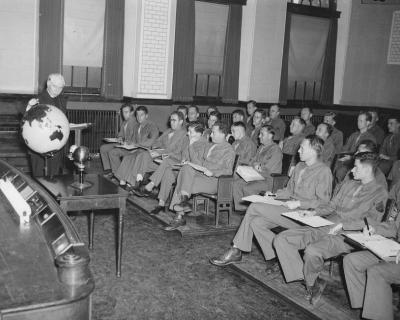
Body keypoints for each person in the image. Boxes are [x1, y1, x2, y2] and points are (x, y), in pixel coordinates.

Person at [274, 152, 388, 306]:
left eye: (356, 167)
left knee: (312, 251)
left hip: (348, 235)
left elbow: (372, 221)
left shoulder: (379, 192)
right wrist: (314, 212)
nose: (352, 170)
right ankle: (310, 280)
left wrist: (345, 225)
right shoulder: (349, 184)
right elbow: (331, 206)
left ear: (367, 170)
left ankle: (310, 282)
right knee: (282, 239)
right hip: (326, 224)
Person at [210, 135, 332, 269]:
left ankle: (236, 249)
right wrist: (274, 195)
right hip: (287, 208)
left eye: (302, 148)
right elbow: (289, 190)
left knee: (254, 207)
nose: (298, 151)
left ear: (314, 150)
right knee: (256, 222)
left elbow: (323, 202)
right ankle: (274, 254)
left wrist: (299, 204)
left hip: (302, 215)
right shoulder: (299, 166)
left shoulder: (324, 171)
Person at [343, 181, 400, 320]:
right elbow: (393, 227)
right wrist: (375, 230)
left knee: (377, 271)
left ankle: (375, 314)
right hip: (393, 249)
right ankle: (368, 307)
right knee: (351, 260)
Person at [167, 121, 235, 230]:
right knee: (186, 168)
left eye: (213, 132)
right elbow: (198, 163)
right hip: (202, 176)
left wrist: (213, 172)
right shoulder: (210, 146)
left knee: (182, 181)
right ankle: (183, 203)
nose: (210, 135)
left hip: (215, 181)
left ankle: (179, 215)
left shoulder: (229, 150)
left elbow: (228, 171)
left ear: (223, 134)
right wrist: (190, 147)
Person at [141, 121, 209, 215]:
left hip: (192, 173)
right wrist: (168, 155)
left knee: (167, 165)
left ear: (199, 134)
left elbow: (198, 163)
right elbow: (180, 154)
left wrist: (190, 147)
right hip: (182, 167)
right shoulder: (187, 140)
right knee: (167, 169)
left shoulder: (204, 144)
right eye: (188, 131)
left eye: (190, 132)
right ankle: (161, 203)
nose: (187, 133)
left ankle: (152, 184)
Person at [115, 111, 187, 189]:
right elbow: (157, 141)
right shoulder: (168, 131)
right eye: (171, 120)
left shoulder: (184, 134)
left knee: (142, 156)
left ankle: (134, 182)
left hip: (169, 160)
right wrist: (155, 147)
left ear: (181, 121)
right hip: (157, 155)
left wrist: (159, 152)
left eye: (174, 120)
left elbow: (175, 151)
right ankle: (131, 181)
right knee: (136, 156)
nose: (171, 122)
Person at [233, 125, 283, 211]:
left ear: (270, 136)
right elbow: (252, 162)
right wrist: (255, 165)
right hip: (257, 176)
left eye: (262, 134)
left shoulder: (275, 150)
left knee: (248, 188)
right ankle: (242, 209)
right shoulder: (261, 147)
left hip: (269, 180)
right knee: (237, 183)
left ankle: (254, 211)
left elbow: (268, 169)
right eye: (259, 134)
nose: (259, 136)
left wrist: (258, 166)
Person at [27, 73, 68, 177]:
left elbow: (61, 120)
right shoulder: (37, 100)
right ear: (48, 83)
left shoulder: (62, 100)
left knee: (54, 177)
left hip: (56, 144)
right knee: (39, 178)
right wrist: (28, 108)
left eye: (60, 87)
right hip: (39, 146)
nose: (57, 90)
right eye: (55, 86)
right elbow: (27, 122)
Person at [107, 105, 159, 184]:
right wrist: (129, 143)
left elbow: (151, 141)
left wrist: (136, 144)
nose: (139, 117)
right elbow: (133, 140)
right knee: (128, 158)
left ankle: (130, 183)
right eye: (137, 115)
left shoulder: (152, 126)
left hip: (146, 152)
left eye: (141, 115)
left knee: (132, 158)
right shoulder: (137, 126)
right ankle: (122, 181)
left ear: (146, 115)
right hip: (137, 150)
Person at [334, 111, 376, 183]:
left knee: (341, 171)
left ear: (368, 123)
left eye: (361, 121)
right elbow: (345, 148)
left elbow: (366, 156)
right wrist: (338, 152)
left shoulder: (370, 138)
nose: (358, 122)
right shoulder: (354, 134)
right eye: (358, 120)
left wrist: (351, 158)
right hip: (347, 159)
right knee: (336, 160)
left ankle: (343, 186)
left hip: (358, 163)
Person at [100, 103, 137, 177]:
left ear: (132, 112)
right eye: (123, 112)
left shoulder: (135, 122)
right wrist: (120, 138)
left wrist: (125, 142)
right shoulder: (125, 122)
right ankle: (109, 169)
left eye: (126, 112)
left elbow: (134, 139)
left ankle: (119, 174)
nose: (124, 114)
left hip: (130, 148)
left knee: (113, 152)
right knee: (103, 148)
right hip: (123, 144)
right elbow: (120, 134)